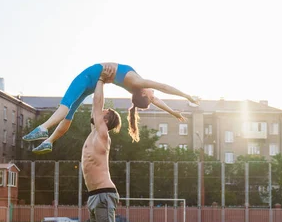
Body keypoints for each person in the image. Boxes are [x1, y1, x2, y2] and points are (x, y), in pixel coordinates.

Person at [22, 62, 199, 154]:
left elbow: (164, 87)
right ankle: (49, 142)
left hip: (89, 76)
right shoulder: (137, 90)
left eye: (151, 96)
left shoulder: (139, 83)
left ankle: (42, 129)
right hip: (95, 83)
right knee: (70, 114)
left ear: (145, 94)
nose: (154, 95)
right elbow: (158, 100)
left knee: (65, 106)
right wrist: (173, 112)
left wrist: (186, 96)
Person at [82, 79, 122, 222]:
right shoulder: (93, 133)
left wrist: (100, 81)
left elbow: (97, 103)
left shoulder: (102, 134)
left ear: (105, 118)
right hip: (94, 195)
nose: (98, 111)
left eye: (102, 111)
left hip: (105, 194)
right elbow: (94, 107)